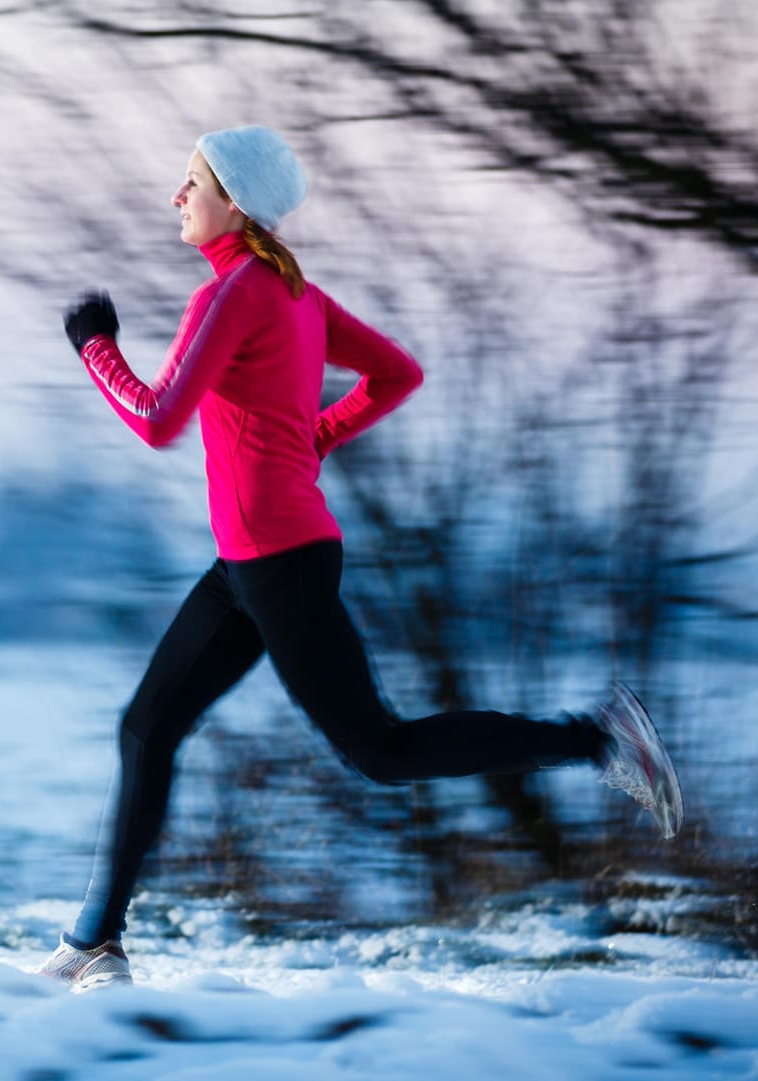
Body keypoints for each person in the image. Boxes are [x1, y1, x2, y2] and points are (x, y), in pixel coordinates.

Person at [38, 126, 683, 991]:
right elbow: (398, 374)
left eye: (190, 181)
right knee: (145, 727)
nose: (176, 195)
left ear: (233, 201)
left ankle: (599, 739)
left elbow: (157, 420)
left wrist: (94, 346)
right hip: (253, 563)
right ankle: (95, 942)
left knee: (379, 749)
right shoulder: (293, 294)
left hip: (278, 562)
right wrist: (313, 436)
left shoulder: (234, 293)